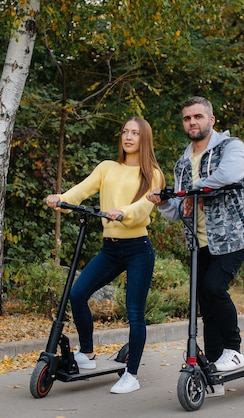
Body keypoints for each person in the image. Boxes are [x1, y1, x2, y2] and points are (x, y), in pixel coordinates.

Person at [45, 116, 165, 394]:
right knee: (77, 294)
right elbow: (82, 190)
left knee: (134, 312)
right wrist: (61, 199)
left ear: (144, 139)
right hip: (111, 249)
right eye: (125, 131)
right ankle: (86, 353)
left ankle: (131, 374)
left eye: (135, 133)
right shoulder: (107, 168)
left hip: (138, 249)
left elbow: (143, 208)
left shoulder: (153, 174)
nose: (129, 137)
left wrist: (123, 212)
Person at [147, 96, 244, 397]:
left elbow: (230, 176)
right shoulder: (182, 163)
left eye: (198, 116)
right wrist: (166, 200)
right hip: (200, 242)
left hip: (233, 237)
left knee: (213, 289)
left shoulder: (230, 148)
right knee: (204, 303)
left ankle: (234, 350)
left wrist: (192, 193)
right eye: (187, 118)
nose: (192, 122)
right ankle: (213, 370)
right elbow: (175, 212)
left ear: (211, 120)